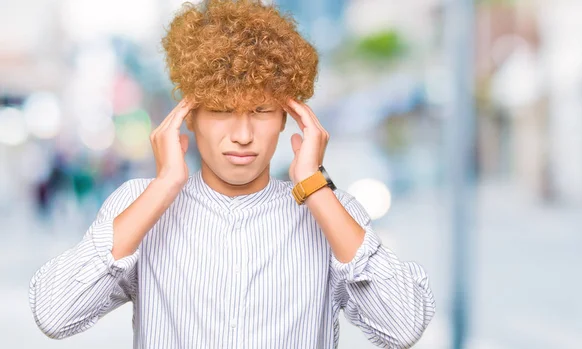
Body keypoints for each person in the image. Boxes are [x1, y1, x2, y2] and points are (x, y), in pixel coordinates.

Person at [29, 1, 435, 348]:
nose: (242, 136)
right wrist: (166, 185)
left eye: (260, 111)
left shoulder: (331, 210)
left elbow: (403, 327)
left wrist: (314, 185)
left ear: (287, 119)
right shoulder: (141, 205)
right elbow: (55, 314)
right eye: (222, 111)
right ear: (188, 118)